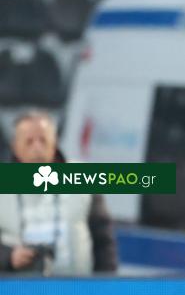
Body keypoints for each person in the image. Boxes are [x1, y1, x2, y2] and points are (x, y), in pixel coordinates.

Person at [0, 111, 118, 275]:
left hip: (76, 287)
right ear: (15, 146)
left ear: (55, 142)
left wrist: (107, 284)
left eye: (43, 140)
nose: (37, 148)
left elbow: (103, 241)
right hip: (18, 288)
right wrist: (8, 256)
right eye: (29, 142)